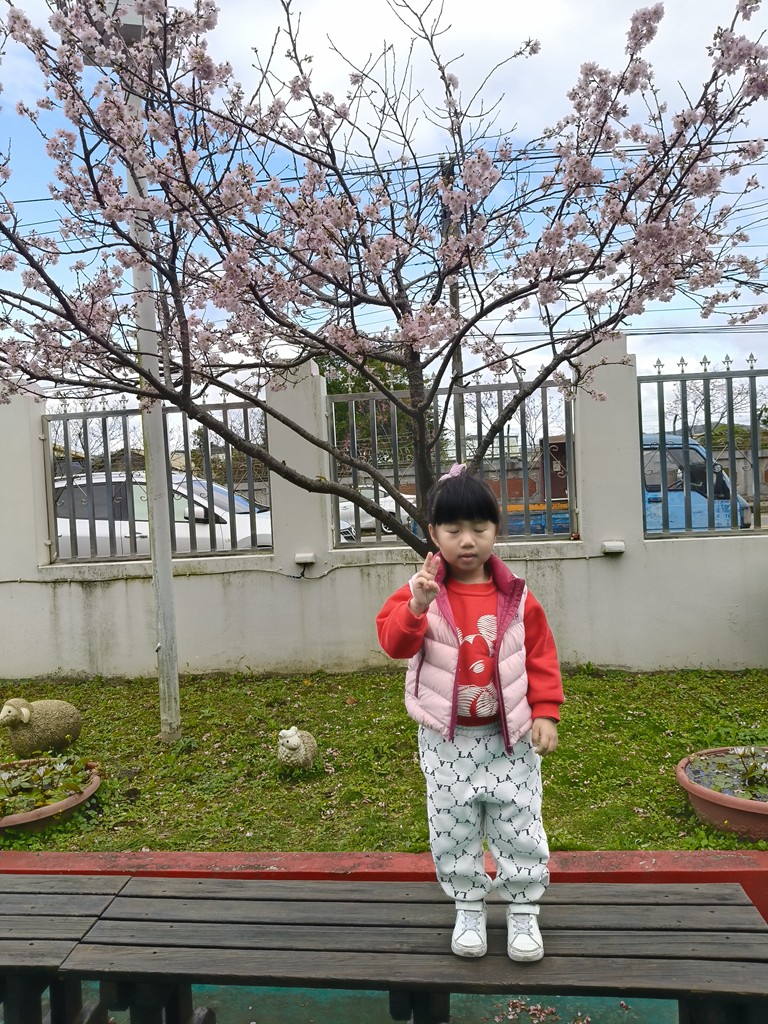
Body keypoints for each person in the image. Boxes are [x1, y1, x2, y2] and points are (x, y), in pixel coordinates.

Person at [376, 464, 563, 961]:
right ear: (433, 533)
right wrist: (416, 607)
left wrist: (545, 711)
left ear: (496, 530)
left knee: (519, 822)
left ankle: (523, 910)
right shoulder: (421, 589)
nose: (467, 541)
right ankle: (468, 906)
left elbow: (541, 654)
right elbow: (393, 644)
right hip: (447, 740)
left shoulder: (516, 597)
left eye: (479, 529)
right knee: (453, 825)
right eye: (454, 530)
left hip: (510, 738)